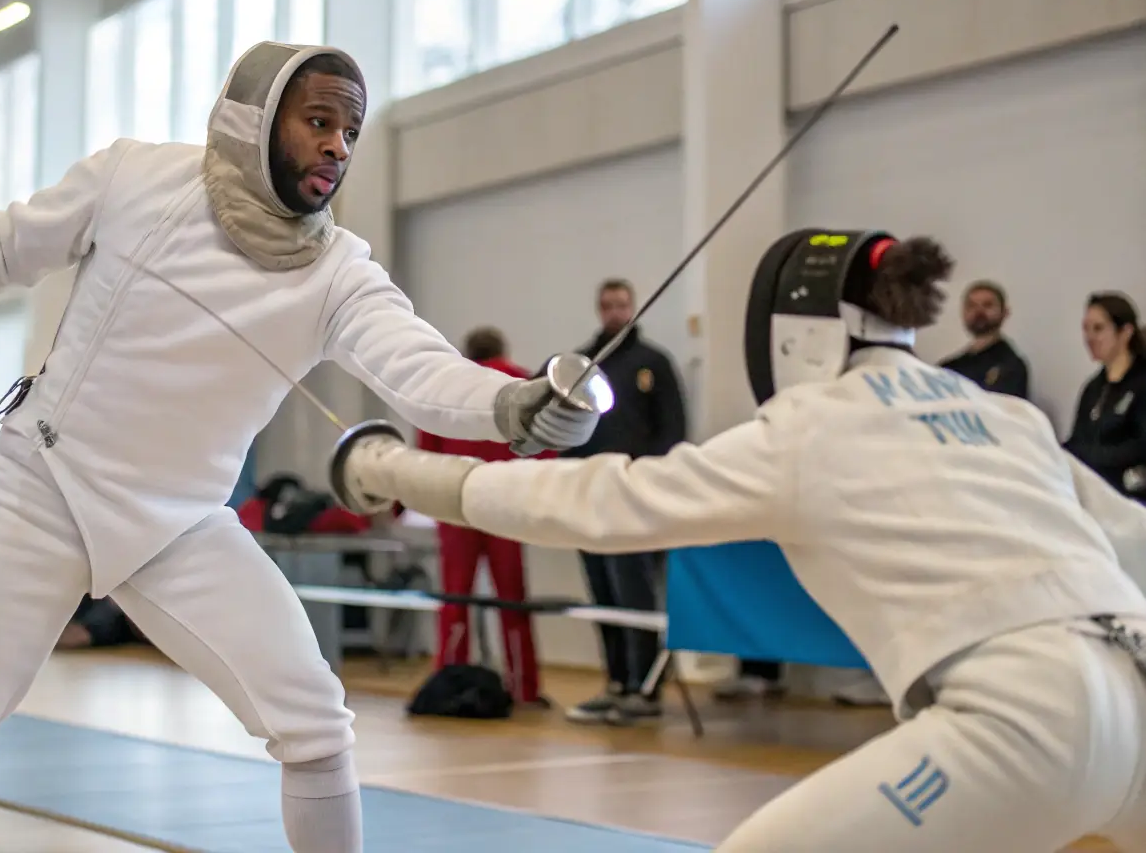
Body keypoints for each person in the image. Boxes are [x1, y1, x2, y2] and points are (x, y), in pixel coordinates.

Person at [0, 42, 603, 853]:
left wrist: (513, 404)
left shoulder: (337, 272)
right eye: (318, 121)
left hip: (180, 527)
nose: (337, 146)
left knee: (316, 724)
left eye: (350, 133)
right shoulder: (135, 179)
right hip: (36, 497)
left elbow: (418, 367)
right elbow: (3, 246)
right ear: (253, 119)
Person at [328, 229, 1146, 852]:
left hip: (1023, 717)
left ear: (797, 330)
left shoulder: (809, 427)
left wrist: (390, 468)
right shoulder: (1003, 415)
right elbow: (1131, 536)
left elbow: (594, 501)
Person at [566, 278, 686, 723]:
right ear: (599, 309)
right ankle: (616, 683)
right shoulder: (583, 365)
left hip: (635, 498)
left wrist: (646, 482)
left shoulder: (655, 364)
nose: (615, 312)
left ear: (633, 308)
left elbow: (672, 431)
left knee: (635, 593)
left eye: (622, 304)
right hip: (588, 496)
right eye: (607, 305)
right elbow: (567, 432)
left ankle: (644, 688)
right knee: (603, 593)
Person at [417, 327, 547, 707]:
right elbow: (545, 445)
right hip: (506, 501)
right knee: (513, 601)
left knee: (454, 599)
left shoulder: (445, 386)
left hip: (455, 501)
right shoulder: (522, 380)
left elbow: (426, 451)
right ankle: (524, 688)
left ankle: (448, 682)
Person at [1066, 292, 1146, 503]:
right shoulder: (1093, 388)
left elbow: (1140, 446)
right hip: (1093, 496)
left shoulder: (1141, 383)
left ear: (1125, 332)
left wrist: (1091, 457)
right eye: (1086, 328)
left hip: (1131, 499)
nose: (1089, 337)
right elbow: (1077, 440)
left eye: (1098, 328)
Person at [938, 280, 1029, 398]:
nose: (979, 312)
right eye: (972, 305)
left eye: (987, 305)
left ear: (1005, 313)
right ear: (963, 312)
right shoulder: (948, 368)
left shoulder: (1011, 367)